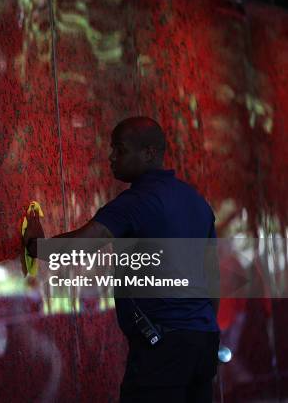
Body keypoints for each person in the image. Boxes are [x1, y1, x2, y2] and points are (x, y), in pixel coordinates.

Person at [23, 116, 220, 403]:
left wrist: (34, 244)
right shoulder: (196, 202)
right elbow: (212, 279)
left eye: (121, 149)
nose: (112, 157)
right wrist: (201, 330)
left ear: (149, 153)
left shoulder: (137, 202)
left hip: (163, 347)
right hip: (203, 342)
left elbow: (79, 246)